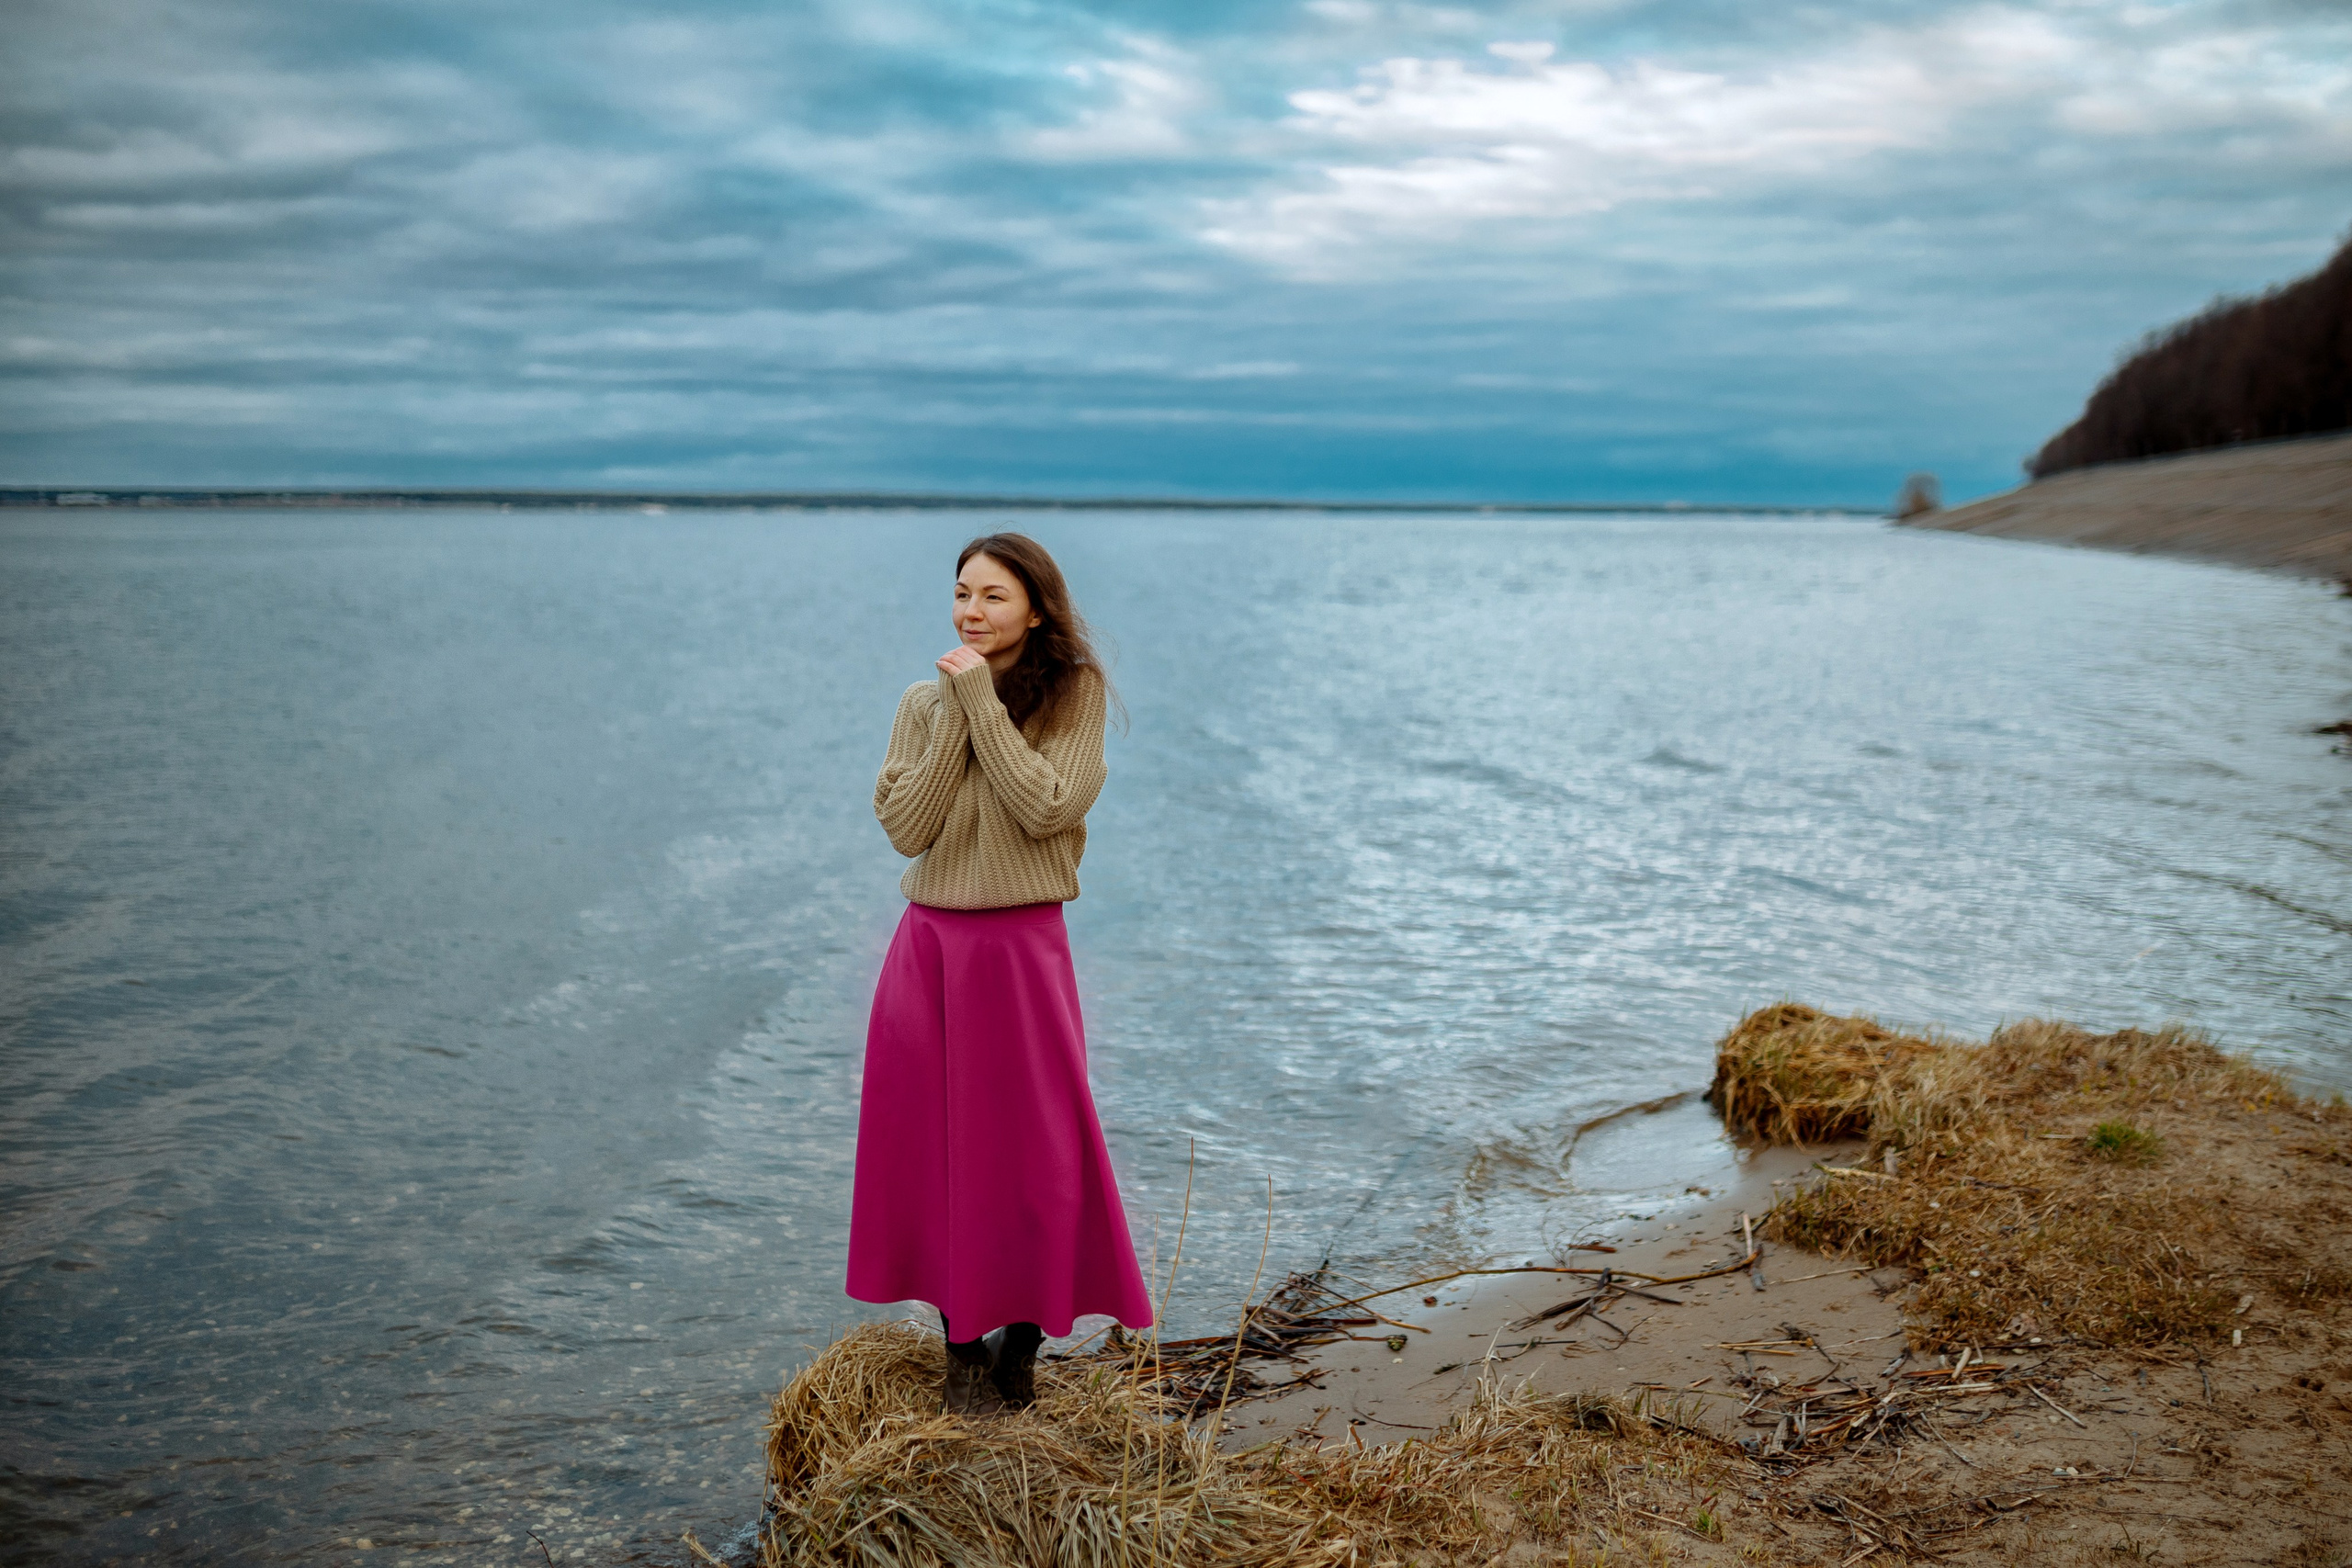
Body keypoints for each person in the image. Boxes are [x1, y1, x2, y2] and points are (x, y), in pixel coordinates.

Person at [845, 533, 1154, 1412]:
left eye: (992, 597)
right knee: (935, 1152)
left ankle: (1023, 1343)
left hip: (1022, 950)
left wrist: (981, 704)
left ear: (1036, 608)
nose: (970, 613)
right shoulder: (922, 701)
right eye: (961, 595)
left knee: (1036, 1148)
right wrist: (952, 712)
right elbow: (908, 826)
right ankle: (960, 1349)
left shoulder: (1074, 697)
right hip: (930, 948)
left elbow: (1047, 807)